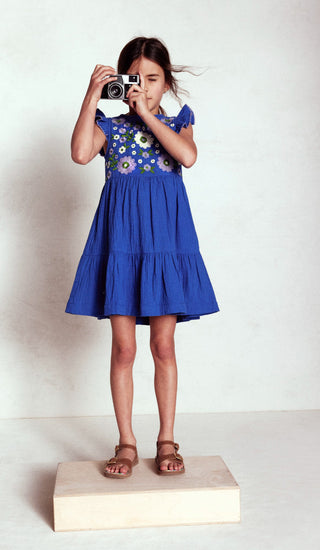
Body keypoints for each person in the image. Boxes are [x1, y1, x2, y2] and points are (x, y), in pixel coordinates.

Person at [66, 37, 219, 478]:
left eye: (153, 79)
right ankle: (126, 443)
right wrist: (91, 95)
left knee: (163, 345)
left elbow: (187, 156)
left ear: (166, 82)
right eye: (136, 79)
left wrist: (148, 115)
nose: (144, 87)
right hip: (122, 248)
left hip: (165, 247)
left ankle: (167, 439)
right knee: (124, 349)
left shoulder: (178, 123)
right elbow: (80, 153)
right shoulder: (111, 128)